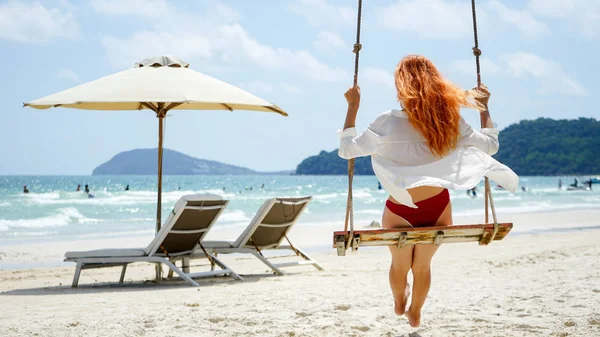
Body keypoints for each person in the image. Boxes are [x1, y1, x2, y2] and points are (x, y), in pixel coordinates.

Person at [338, 55, 518, 327]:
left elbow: (346, 150)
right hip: (438, 207)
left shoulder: (386, 122)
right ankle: (415, 311)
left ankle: (400, 302)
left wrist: (353, 107)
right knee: (422, 267)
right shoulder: (450, 122)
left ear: (401, 85)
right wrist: (483, 108)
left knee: (400, 266)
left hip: (400, 209)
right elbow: (491, 147)